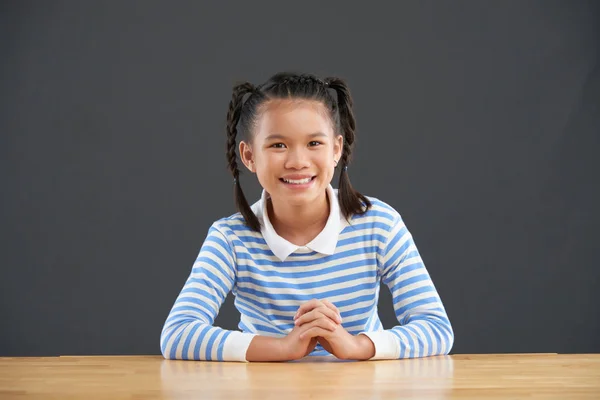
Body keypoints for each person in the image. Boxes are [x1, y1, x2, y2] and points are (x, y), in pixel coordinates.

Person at [160, 72, 454, 362]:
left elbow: (436, 329)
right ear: (249, 156)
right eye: (278, 145)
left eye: (314, 143)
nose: (298, 162)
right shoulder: (229, 239)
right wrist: (285, 348)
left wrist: (354, 346)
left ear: (337, 149)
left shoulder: (379, 224)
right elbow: (178, 334)